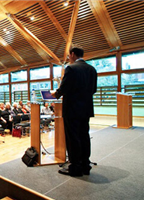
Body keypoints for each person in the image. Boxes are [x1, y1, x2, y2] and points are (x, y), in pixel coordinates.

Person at [51, 47, 97, 177]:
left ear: (72, 54)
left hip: (72, 109)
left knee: (73, 138)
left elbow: (64, 88)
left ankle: (75, 167)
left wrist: (56, 93)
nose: (68, 58)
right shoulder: (92, 69)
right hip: (86, 109)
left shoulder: (71, 68)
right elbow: (93, 89)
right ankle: (85, 165)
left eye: (68, 56)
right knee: (84, 136)